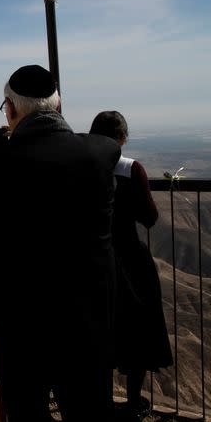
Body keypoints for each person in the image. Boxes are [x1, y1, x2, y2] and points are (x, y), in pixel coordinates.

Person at [0, 65, 121, 422]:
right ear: (58, 104)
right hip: (89, 315)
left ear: (10, 108)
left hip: (20, 321)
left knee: (27, 410)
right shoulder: (101, 152)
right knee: (89, 409)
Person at [90, 110, 173, 421]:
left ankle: (100, 401)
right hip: (129, 259)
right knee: (137, 329)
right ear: (122, 139)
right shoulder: (130, 169)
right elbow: (149, 218)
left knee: (100, 331)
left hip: (93, 259)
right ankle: (134, 401)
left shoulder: (82, 167)